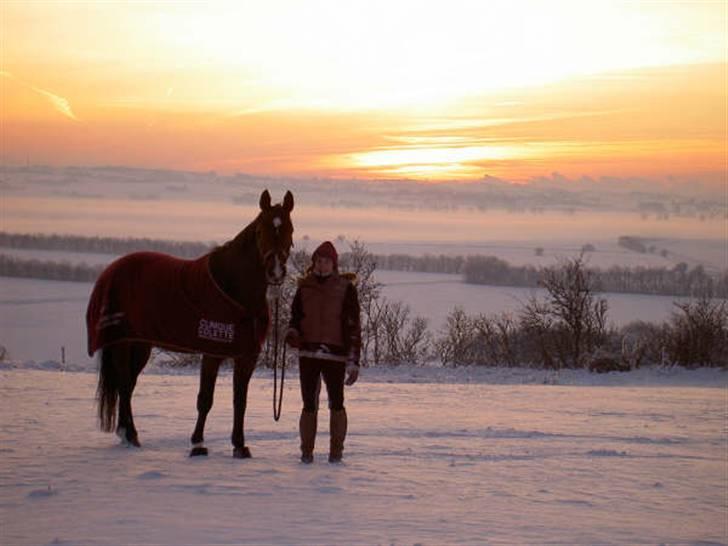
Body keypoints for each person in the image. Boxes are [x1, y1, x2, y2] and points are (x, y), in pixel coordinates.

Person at [285, 241, 361, 463]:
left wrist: (353, 360)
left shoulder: (346, 288)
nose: (322, 264)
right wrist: (292, 333)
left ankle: (336, 452)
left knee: (336, 403)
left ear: (334, 264)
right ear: (314, 263)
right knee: (309, 403)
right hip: (307, 354)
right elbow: (295, 318)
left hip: (335, 355)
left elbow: (353, 326)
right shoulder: (304, 287)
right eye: (318, 260)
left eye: (326, 260)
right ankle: (306, 452)